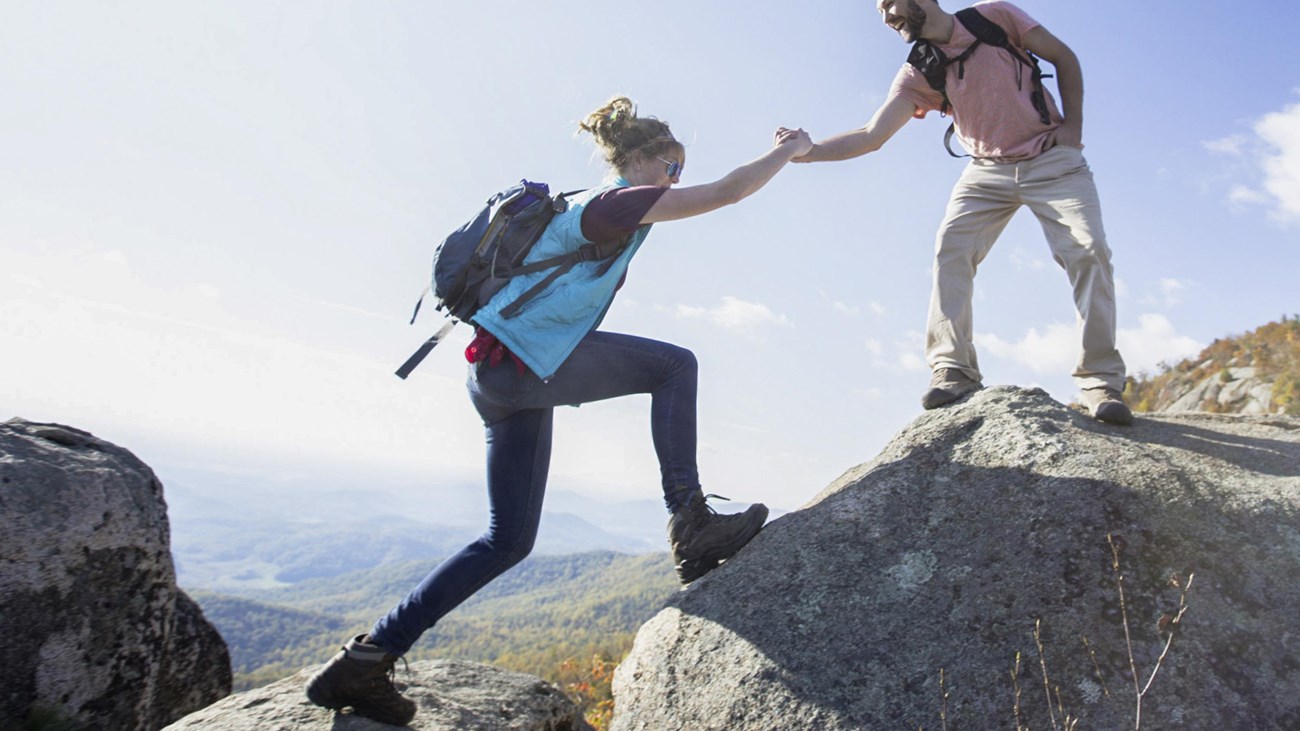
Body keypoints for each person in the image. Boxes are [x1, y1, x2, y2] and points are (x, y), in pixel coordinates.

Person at [304, 96, 814, 725]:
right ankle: (691, 520)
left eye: (680, 170)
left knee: (506, 541)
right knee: (674, 365)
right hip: (521, 364)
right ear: (633, 160)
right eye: (669, 166)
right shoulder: (611, 203)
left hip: (497, 371)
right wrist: (789, 149)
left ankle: (365, 660)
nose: (675, 179)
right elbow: (730, 192)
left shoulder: (587, 205)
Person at [797, 0, 1132, 425]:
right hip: (985, 171)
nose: (885, 16)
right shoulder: (919, 70)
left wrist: (1073, 129)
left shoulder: (994, 17)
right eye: (878, 11)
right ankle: (953, 368)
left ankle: (1100, 381)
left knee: (1089, 250)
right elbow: (871, 135)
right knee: (949, 251)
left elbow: (1064, 57)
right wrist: (809, 152)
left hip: (1052, 159)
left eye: (888, 2)